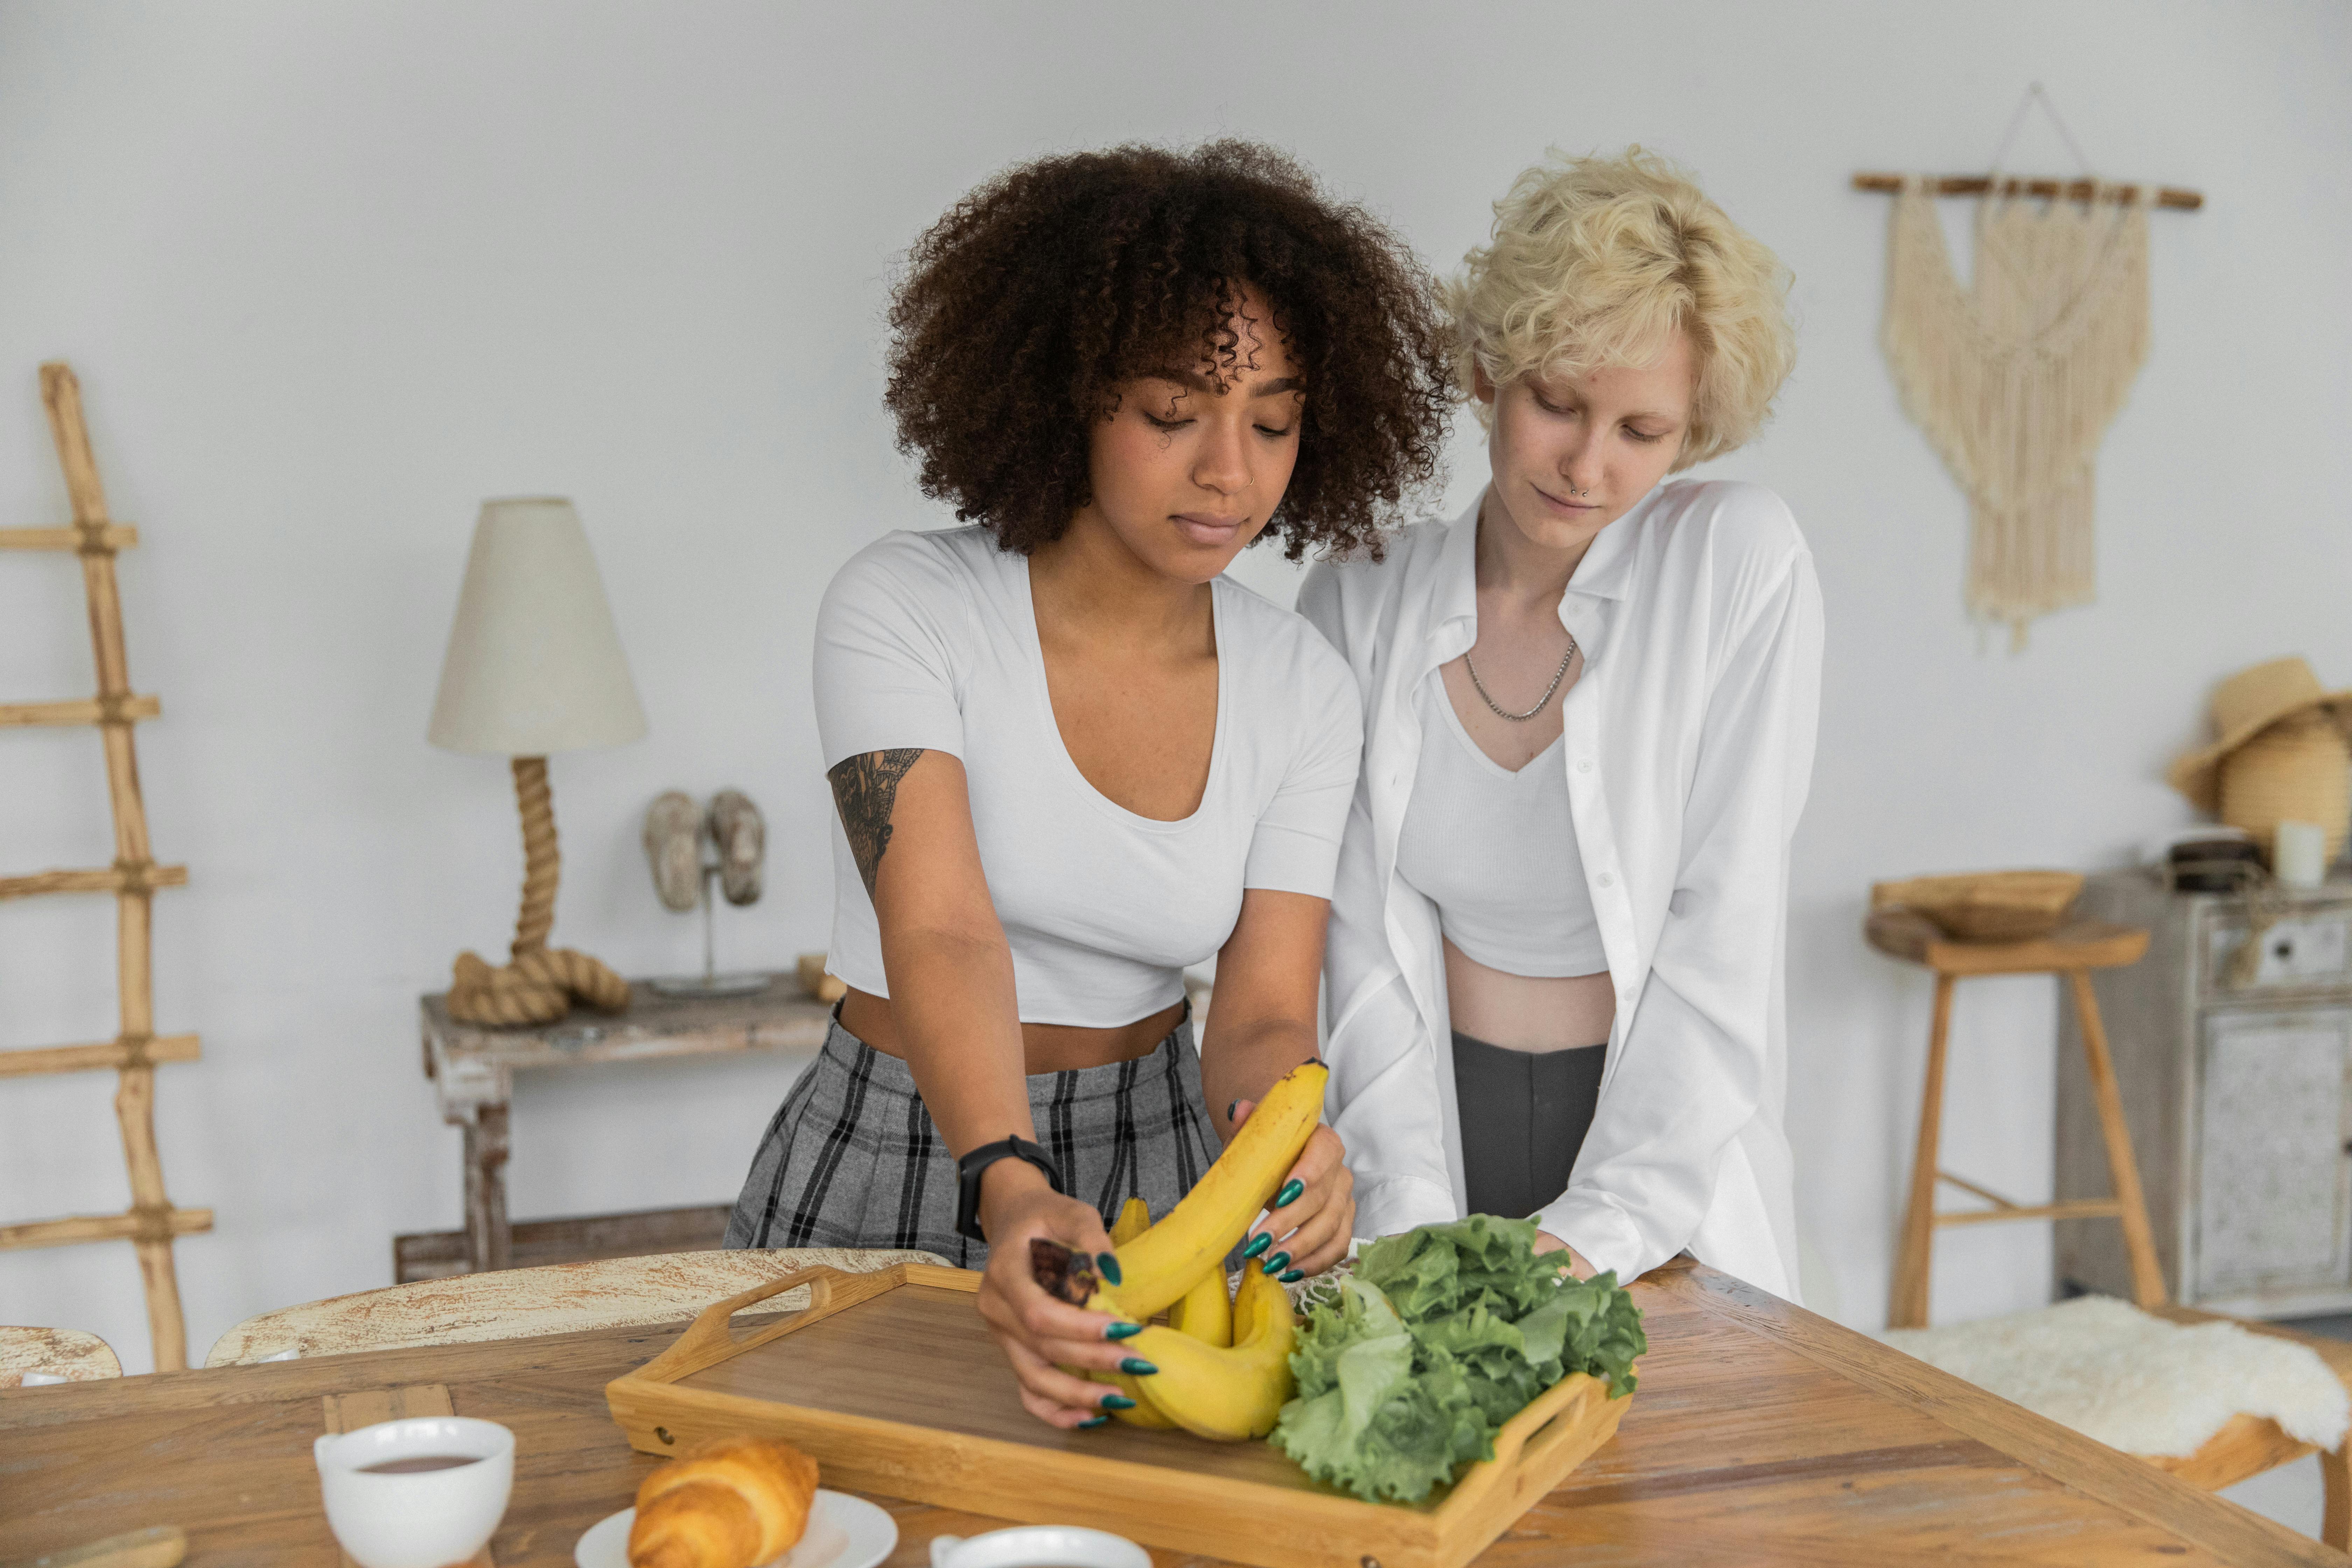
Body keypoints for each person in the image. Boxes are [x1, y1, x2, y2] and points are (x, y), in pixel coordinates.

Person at [726, 142, 1453, 1426]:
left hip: (1166, 1163)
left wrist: (1282, 1140)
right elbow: (943, 930)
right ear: (1069, 397)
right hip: (901, 1137)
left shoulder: (1301, 685)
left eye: (1273, 420)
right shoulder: (906, 607)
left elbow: (1267, 1007)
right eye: (1175, 414)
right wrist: (1007, 1178)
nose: (1231, 470)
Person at [1299, 147, 1819, 1297]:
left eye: (1644, 431)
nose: (1589, 466)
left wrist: (1608, 1221)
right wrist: (1409, 1214)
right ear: (1491, 369)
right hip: (1430, 1118)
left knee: (1675, 1472)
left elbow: (1722, 925)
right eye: (1558, 403)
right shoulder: (1359, 598)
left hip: (1659, 1144)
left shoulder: (1738, 563)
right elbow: (1356, 944)